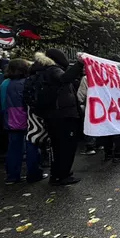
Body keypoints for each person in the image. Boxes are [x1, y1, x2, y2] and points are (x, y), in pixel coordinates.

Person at [38, 49, 84, 186]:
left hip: (55, 115)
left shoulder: (45, 71)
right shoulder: (53, 70)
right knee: (65, 147)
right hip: (63, 116)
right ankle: (62, 175)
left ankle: (58, 174)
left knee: (58, 147)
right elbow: (65, 79)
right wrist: (79, 64)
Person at [0, 59, 46, 184]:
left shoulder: (4, 84)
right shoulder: (26, 82)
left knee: (13, 148)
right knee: (32, 145)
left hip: (10, 120)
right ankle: (34, 173)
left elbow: (0, 102)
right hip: (28, 118)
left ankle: (12, 176)